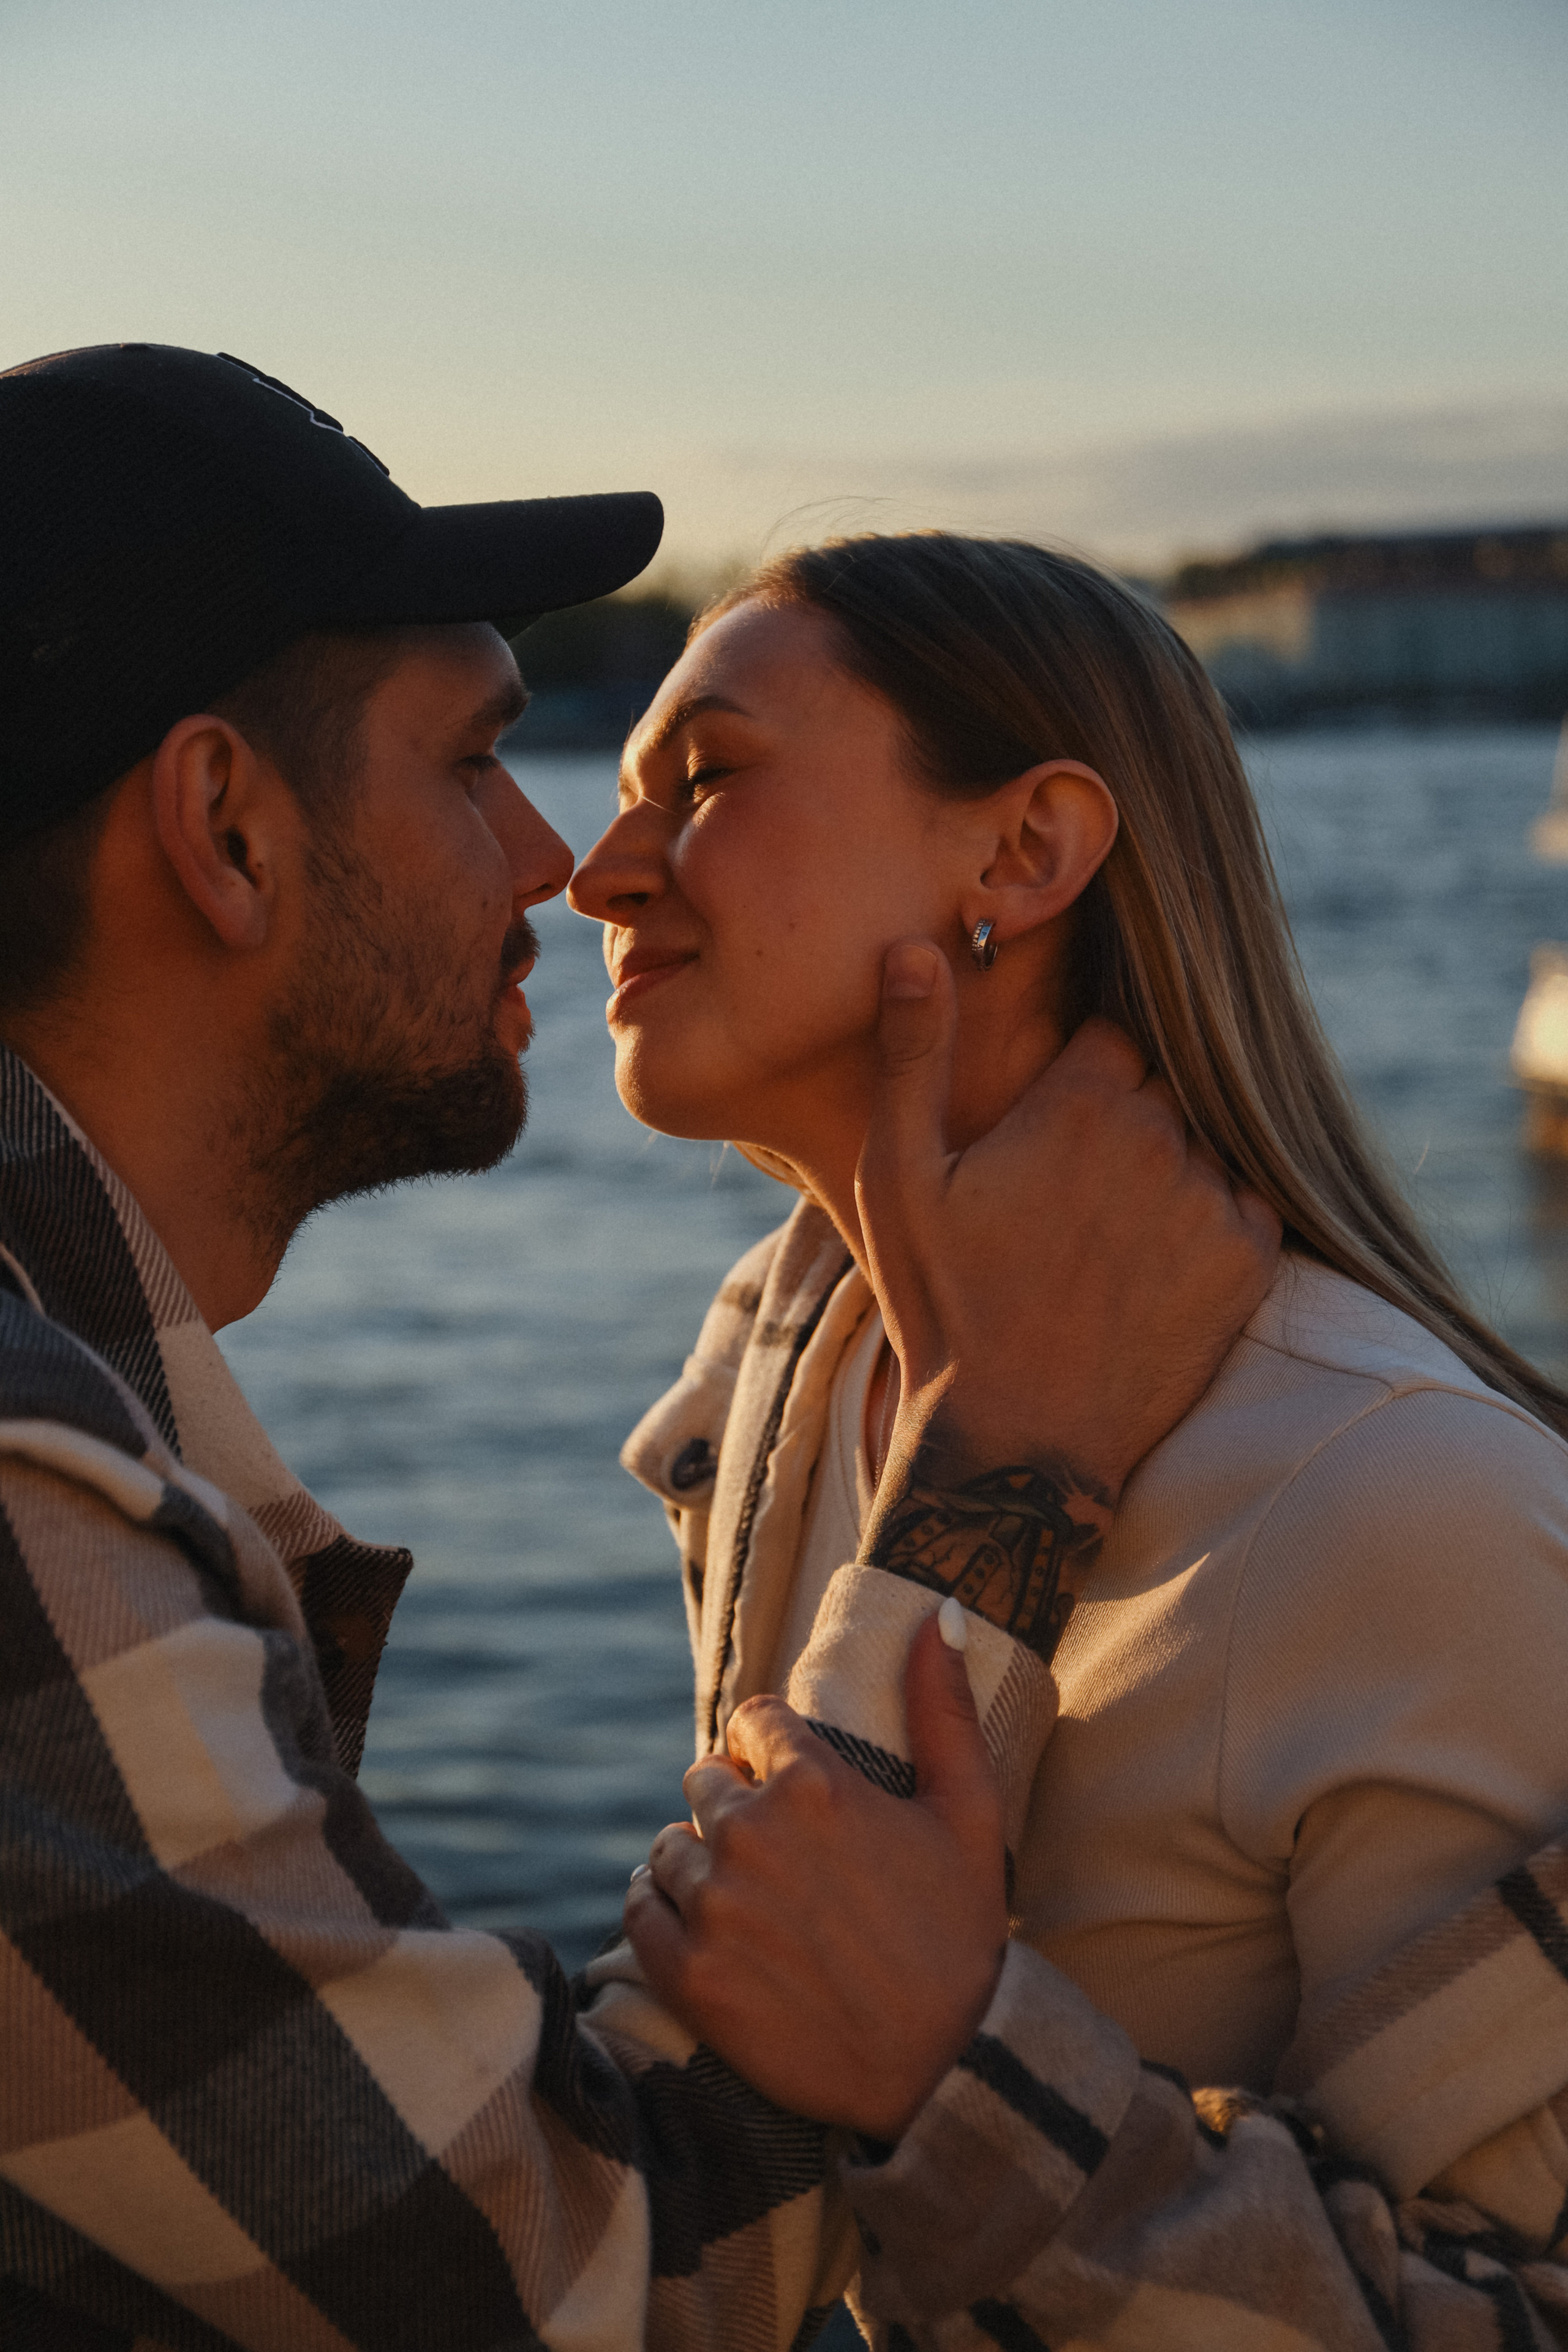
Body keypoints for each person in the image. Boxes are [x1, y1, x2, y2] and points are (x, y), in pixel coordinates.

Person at [0, 344, 1281, 2350]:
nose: (556, 862)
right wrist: (993, 1497)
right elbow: (589, 2291)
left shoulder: (1382, 1483)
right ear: (227, 830)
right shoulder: (22, 1499)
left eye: (692, 788)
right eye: (468, 762)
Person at [568, 530, 1568, 2346]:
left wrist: (958, 2070)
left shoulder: (1399, 1497)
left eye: (706, 780)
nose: (595, 872)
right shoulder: (787, 1375)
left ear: (1023, 853)